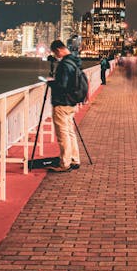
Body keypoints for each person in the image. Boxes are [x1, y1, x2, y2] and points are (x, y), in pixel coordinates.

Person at [46, 39, 82, 172]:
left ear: (59, 50)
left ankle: (64, 163)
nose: (56, 56)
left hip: (62, 103)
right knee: (70, 132)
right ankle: (74, 159)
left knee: (63, 134)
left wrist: (51, 83)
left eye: (56, 53)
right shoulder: (75, 61)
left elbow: (62, 85)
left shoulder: (64, 64)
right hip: (72, 102)